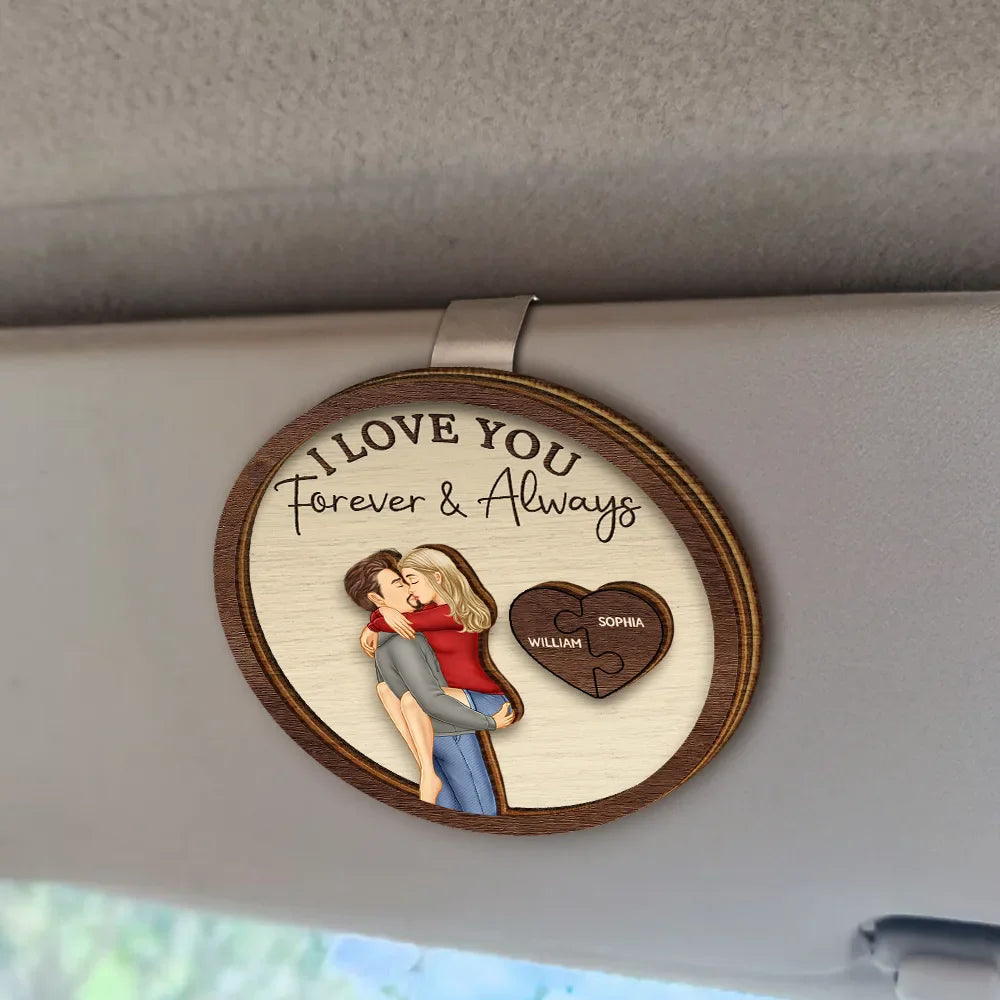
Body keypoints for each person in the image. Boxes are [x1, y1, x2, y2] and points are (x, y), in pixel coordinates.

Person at [342, 550, 515, 814]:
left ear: (437, 577)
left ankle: (427, 773)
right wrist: (382, 615)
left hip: (482, 699)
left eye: (411, 581)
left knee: (412, 701)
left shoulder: (450, 613)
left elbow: (404, 625)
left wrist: (377, 619)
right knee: (389, 691)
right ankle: (427, 770)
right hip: (442, 712)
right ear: (375, 597)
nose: (410, 589)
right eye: (402, 583)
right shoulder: (411, 628)